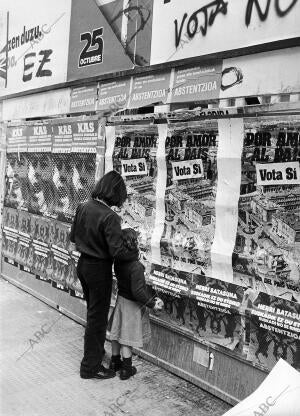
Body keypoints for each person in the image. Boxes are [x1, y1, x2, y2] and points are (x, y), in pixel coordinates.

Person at [70, 171, 137, 380]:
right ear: (115, 193)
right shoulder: (110, 216)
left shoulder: (83, 206)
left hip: (83, 266)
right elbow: (117, 251)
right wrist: (134, 250)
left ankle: (96, 353)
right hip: (99, 270)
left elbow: (72, 239)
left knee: (93, 313)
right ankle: (90, 367)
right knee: (97, 319)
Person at [108, 228, 163, 380]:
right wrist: (152, 304)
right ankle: (126, 369)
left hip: (121, 300)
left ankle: (114, 362)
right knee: (126, 337)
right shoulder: (136, 266)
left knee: (116, 334)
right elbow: (138, 291)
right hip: (131, 305)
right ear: (134, 243)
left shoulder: (118, 260)